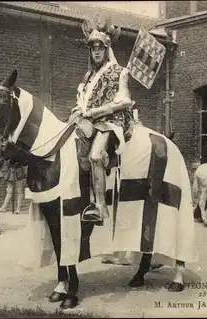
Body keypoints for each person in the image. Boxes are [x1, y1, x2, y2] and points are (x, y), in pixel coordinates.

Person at [70, 19, 135, 224]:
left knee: (96, 156)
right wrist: (79, 110)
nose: (96, 52)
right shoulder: (88, 76)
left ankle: (100, 206)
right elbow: (82, 101)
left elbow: (124, 101)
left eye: (100, 48)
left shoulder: (120, 72)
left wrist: (94, 112)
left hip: (111, 121)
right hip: (89, 121)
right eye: (93, 49)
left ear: (107, 49)